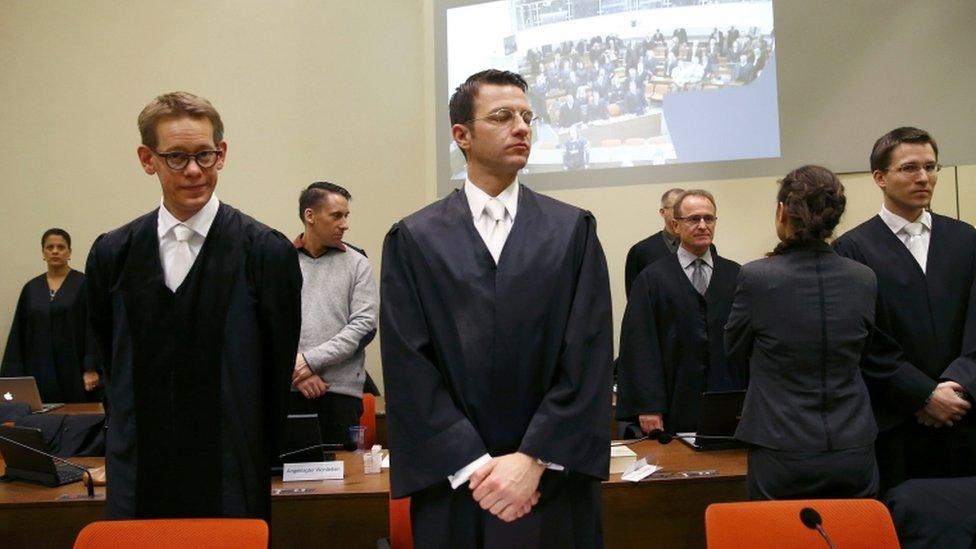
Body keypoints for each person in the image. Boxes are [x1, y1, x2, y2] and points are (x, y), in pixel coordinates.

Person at [380, 69, 613, 548]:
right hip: (457, 486)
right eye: (503, 116)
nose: (523, 127)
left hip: (552, 483)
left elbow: (587, 355)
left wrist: (532, 461)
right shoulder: (415, 239)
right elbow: (409, 366)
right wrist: (476, 466)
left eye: (528, 117)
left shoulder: (571, 232)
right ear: (461, 135)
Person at [85, 91, 302, 519]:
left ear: (221, 154)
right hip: (139, 470)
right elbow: (111, 358)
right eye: (176, 158)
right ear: (148, 159)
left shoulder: (264, 252)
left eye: (204, 155)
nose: (193, 171)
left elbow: (275, 370)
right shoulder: (113, 254)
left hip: (230, 469)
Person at [833, 127, 975, 492]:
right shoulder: (852, 249)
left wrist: (957, 385)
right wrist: (922, 394)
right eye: (909, 168)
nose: (924, 177)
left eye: (931, 166)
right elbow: (864, 339)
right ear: (880, 178)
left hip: (964, 411)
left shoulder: (965, 239)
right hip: (897, 420)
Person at [616, 190, 744, 435]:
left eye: (709, 218)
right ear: (675, 225)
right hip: (673, 404)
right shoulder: (652, 279)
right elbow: (639, 344)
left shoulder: (735, 275)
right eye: (694, 219)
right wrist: (648, 405)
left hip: (725, 398)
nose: (703, 225)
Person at [291, 181, 378, 444]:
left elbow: (364, 327)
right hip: (290, 391)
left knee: (342, 481)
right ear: (310, 216)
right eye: (336, 215)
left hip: (340, 395)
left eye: (346, 216)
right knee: (287, 481)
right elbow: (265, 325)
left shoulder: (357, 263)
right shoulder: (279, 258)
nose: (345, 224)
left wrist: (309, 362)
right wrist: (297, 372)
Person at [2, 228, 101, 403]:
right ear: (43, 252)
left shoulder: (84, 285)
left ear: (69, 252)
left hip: (74, 371)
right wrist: (13, 378)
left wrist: (91, 367)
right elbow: (19, 334)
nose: (55, 251)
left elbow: (93, 328)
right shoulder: (31, 289)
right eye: (50, 247)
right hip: (39, 369)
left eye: (61, 247)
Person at [623, 188, 684, 296]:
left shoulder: (706, 248)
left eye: (687, 209)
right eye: (676, 208)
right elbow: (635, 299)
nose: (682, 213)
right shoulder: (641, 251)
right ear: (662, 212)